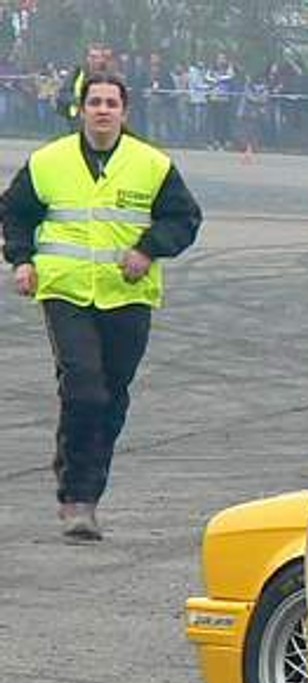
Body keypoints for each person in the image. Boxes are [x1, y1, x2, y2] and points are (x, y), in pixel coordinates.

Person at [1, 73, 202, 542]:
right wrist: (22, 260)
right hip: (65, 292)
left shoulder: (152, 165)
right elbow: (14, 211)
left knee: (110, 396)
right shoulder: (48, 161)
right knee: (84, 388)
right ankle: (76, 499)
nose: (103, 110)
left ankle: (88, 490)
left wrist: (149, 248)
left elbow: (184, 218)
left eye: (112, 102)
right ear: (81, 109)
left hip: (127, 295)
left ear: (124, 112)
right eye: (95, 102)